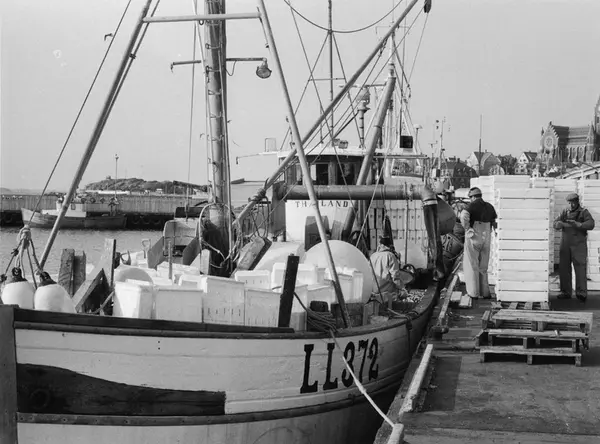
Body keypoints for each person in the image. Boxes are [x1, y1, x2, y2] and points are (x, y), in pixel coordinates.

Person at [554, 193, 595, 302]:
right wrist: (558, 224)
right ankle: (565, 292)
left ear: (577, 201)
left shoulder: (584, 212)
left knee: (580, 268)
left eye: (573, 202)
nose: (571, 205)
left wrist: (579, 224)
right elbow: (555, 223)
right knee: (564, 268)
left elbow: (591, 224)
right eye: (569, 203)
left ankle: (581, 293)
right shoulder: (564, 212)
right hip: (565, 244)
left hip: (579, 245)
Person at [460, 187, 498, 299]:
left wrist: (468, 229)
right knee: (483, 267)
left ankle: (473, 293)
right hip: (486, 238)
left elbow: (463, 216)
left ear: (472, 197)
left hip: (474, 237)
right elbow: (494, 221)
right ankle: (485, 293)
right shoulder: (490, 207)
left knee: (472, 265)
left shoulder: (471, 206)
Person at [370, 235, 405, 300]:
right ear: (389, 246)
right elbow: (395, 276)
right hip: (386, 294)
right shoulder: (390, 256)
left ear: (380, 245)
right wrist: (402, 289)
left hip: (373, 292)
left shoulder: (373, 256)